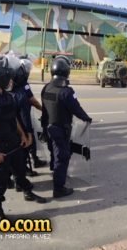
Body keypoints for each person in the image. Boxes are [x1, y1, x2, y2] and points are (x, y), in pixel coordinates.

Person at [0, 57, 46, 220]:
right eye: (8, 78)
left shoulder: (7, 96)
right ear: (1, 79)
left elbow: (13, 118)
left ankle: (28, 192)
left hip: (14, 142)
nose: (11, 81)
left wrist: (23, 135)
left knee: (20, 171)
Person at [40, 56, 92, 198]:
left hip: (48, 127)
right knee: (62, 157)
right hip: (60, 130)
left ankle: (55, 173)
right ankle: (59, 188)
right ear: (66, 72)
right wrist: (86, 118)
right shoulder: (67, 92)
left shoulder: (46, 88)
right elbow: (76, 108)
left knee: (54, 153)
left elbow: (44, 110)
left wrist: (44, 128)